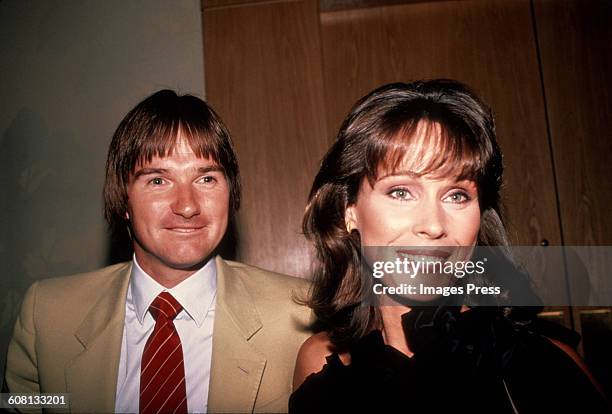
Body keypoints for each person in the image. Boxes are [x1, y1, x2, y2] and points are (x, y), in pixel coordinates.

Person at [290, 80, 608, 412]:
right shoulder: (322, 364)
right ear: (350, 212)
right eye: (401, 192)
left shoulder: (544, 364)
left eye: (456, 195)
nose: (433, 225)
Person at [5, 90, 311, 413]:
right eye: (158, 181)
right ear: (123, 197)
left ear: (230, 192)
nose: (187, 206)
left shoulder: (301, 317)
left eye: (206, 178)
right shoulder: (48, 316)